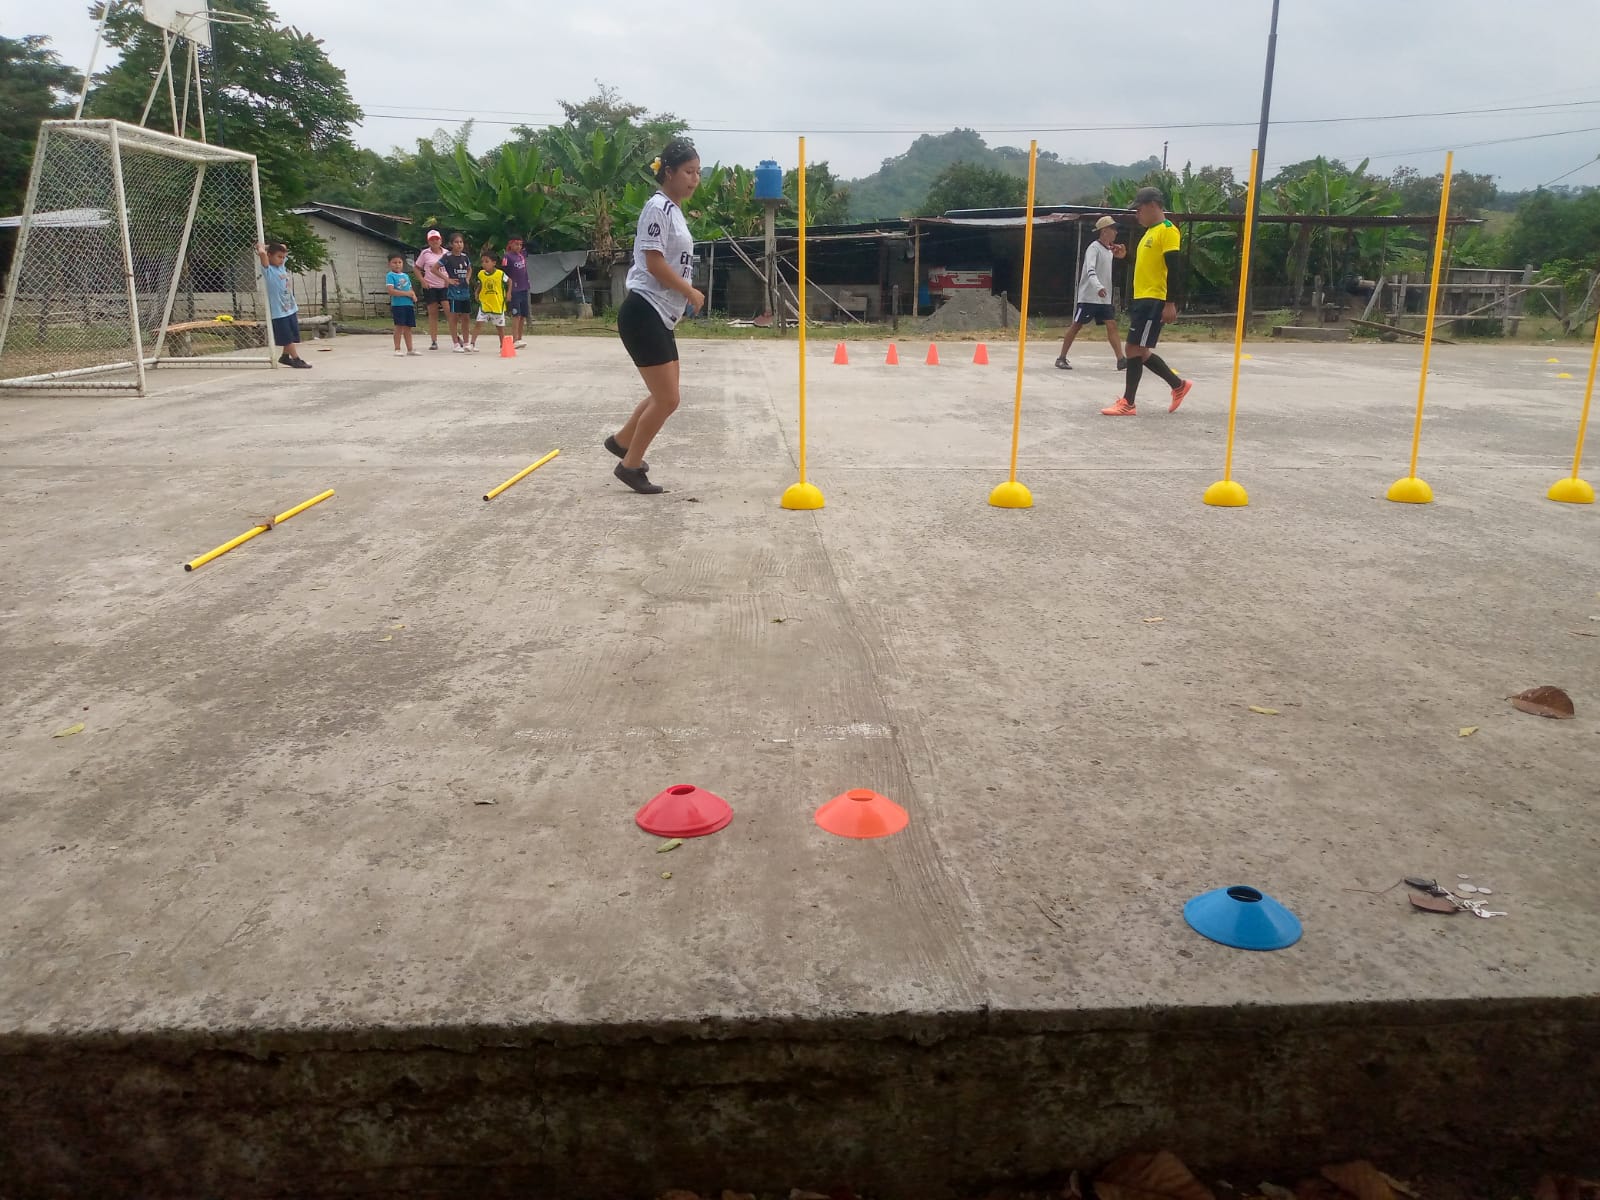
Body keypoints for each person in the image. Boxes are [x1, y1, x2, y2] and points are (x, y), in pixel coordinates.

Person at [607, 137, 703, 495]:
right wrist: (689, 290)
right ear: (669, 172)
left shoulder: (674, 210)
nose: (695, 179)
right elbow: (653, 262)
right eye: (689, 172)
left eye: (698, 173)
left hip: (660, 314)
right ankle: (630, 466)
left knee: (665, 395)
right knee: (667, 399)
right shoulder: (657, 207)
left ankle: (622, 442)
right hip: (644, 310)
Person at [1102, 186, 1193, 416]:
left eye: (1139, 209)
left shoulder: (1168, 230)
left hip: (1154, 299)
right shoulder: (1149, 232)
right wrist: (1126, 256)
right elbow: (1147, 266)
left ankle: (1128, 403)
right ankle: (1178, 386)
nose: (1137, 214)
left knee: (1133, 348)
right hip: (1143, 298)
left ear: (1153, 205)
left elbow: (1174, 269)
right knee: (1139, 351)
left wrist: (1171, 303)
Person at [1056, 215, 1127, 372]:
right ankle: (1061, 357)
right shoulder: (1093, 248)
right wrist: (1098, 287)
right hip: (1089, 296)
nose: (1116, 232)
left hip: (1104, 298)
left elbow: (1111, 265)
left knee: (1112, 325)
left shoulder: (1109, 250)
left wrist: (1121, 255)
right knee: (1077, 326)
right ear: (1104, 231)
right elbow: (1090, 270)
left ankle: (1121, 359)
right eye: (1113, 229)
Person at [255, 241, 311, 369]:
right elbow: (262, 253)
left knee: (291, 335)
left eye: (283, 257)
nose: (282, 259)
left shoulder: (281, 267)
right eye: (279, 257)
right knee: (287, 337)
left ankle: (285, 357)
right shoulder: (268, 270)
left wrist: (272, 247)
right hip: (279, 311)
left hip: (290, 307)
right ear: (270, 255)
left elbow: (284, 247)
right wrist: (261, 248)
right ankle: (296, 359)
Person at [415, 229, 451, 350]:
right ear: (428, 241)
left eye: (436, 239)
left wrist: (448, 279)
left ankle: (456, 337)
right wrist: (422, 280)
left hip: (444, 286)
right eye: (432, 240)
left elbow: (451, 268)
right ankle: (434, 340)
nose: (435, 241)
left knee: (449, 312)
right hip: (430, 286)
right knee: (433, 313)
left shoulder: (447, 253)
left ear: (440, 240)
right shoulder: (425, 253)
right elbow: (416, 268)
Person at [472, 250, 510, 352]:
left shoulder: (500, 274)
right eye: (482, 262)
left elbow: (509, 281)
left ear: (494, 263)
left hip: (497, 304)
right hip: (485, 303)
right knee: (479, 323)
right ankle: (472, 344)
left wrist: (509, 293)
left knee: (499, 327)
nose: (484, 264)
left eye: (486, 261)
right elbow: (481, 284)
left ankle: (502, 345)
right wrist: (476, 292)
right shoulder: (481, 274)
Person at [441, 233, 474, 352]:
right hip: (454, 291)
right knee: (454, 317)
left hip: (464, 290)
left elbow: (469, 269)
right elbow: (434, 269)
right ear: (451, 244)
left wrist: (467, 278)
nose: (459, 244)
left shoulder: (465, 257)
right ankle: (455, 343)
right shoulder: (447, 257)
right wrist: (447, 279)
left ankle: (466, 342)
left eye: (461, 242)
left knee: (466, 317)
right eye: (456, 242)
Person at [385, 253, 420, 356]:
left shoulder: (406, 276)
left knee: (408, 327)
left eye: (399, 262)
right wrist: (406, 294)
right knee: (399, 327)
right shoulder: (390, 275)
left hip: (408, 304)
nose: (397, 265)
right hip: (398, 305)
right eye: (394, 262)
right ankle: (397, 349)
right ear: (389, 264)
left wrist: (413, 295)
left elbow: (410, 288)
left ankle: (410, 349)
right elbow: (391, 291)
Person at [502, 235, 531, 347]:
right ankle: (514, 339)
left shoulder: (522, 254)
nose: (518, 246)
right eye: (516, 244)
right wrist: (508, 291)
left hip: (524, 287)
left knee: (523, 314)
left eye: (520, 244)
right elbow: (504, 274)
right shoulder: (507, 257)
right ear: (511, 244)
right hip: (514, 289)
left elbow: (532, 247)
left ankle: (520, 337)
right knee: (516, 314)